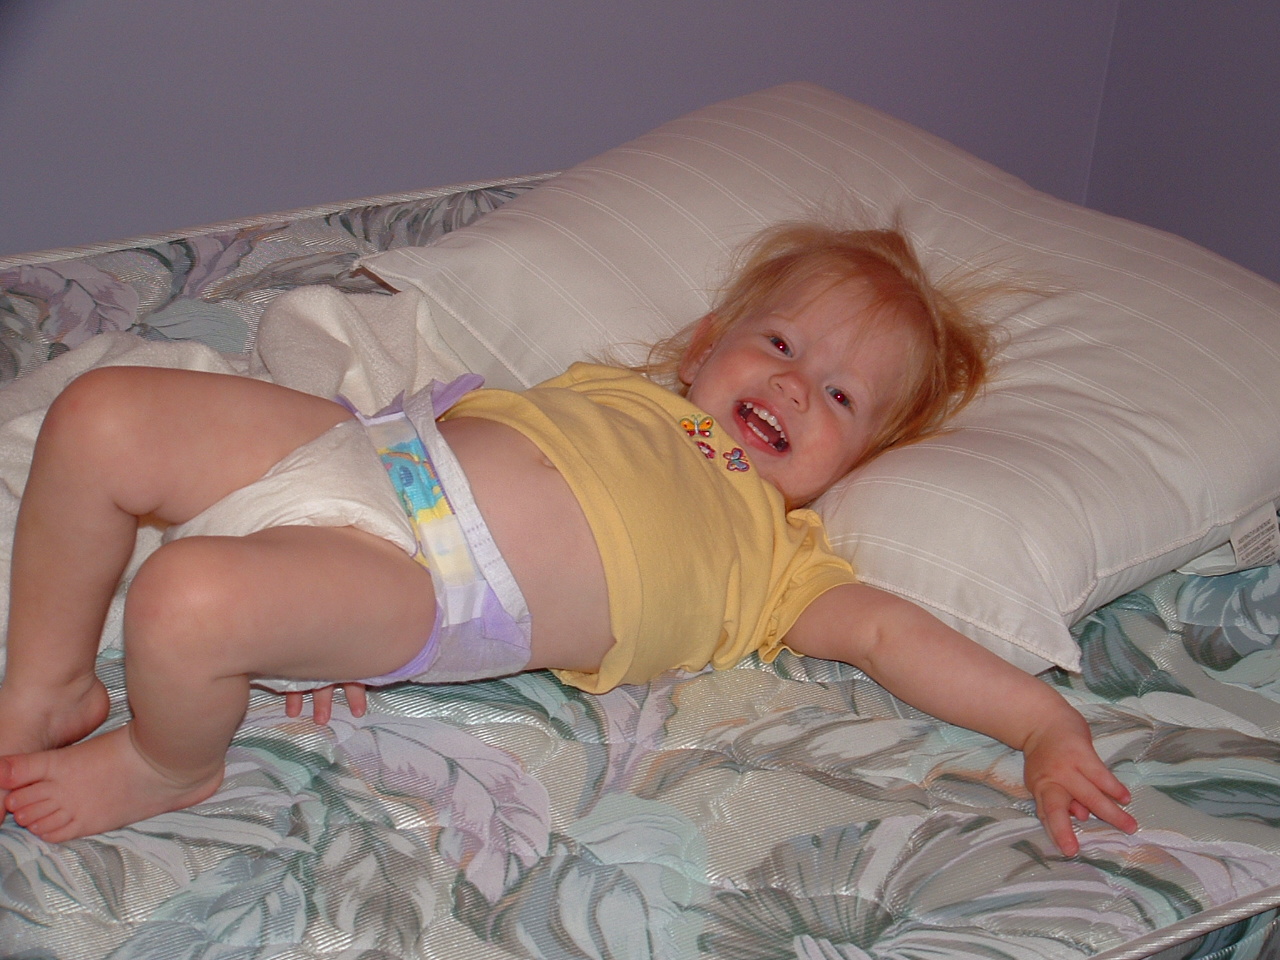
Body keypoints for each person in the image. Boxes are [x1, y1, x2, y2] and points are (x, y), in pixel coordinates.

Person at [0, 223, 1137, 855]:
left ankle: (169, 763)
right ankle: (48, 683)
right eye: (782, 345)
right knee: (100, 416)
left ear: (860, 465)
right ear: (704, 344)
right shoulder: (618, 388)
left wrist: (1042, 725)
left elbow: (894, 636)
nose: (795, 387)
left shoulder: (778, 565)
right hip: (370, 454)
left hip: (425, 580)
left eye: (841, 399)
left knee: (187, 602)